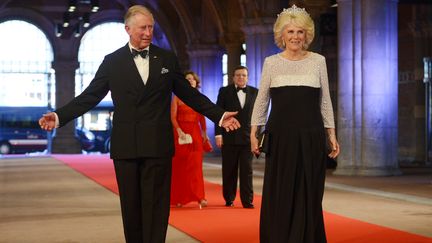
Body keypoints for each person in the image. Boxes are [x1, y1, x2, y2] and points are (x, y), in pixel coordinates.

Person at [38, 5, 240, 243]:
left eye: (151, 27)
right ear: (128, 29)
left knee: (156, 207)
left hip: (158, 146)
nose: (148, 32)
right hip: (127, 147)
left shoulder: (166, 59)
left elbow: (190, 95)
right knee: (132, 208)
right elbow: (89, 97)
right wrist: (60, 116)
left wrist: (219, 114)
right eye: (143, 28)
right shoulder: (112, 62)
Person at [250, 5, 340, 243]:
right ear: (281, 35)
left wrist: (331, 133)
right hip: (280, 136)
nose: (295, 37)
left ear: (307, 35)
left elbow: (325, 101)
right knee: (281, 191)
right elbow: (262, 100)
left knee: (310, 191)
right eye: (290, 32)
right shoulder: (271, 62)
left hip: (311, 135)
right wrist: (254, 132)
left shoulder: (318, 61)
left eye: (300, 32)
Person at [215, 66, 258, 208]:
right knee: (229, 170)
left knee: (247, 171)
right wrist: (218, 134)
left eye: (243, 75)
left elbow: (258, 116)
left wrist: (256, 137)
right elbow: (218, 114)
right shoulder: (224, 91)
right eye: (238, 75)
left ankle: (248, 201)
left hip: (247, 139)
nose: (241, 77)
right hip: (229, 137)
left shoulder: (255, 92)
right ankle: (229, 198)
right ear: (233, 77)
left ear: (247, 77)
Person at [170, 71, 210, 209]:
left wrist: (205, 133)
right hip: (180, 134)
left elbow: (202, 117)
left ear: (196, 82)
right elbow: (173, 117)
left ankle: (200, 197)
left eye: (192, 79)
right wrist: (179, 131)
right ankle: (179, 198)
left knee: (196, 167)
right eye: (187, 79)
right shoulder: (176, 98)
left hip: (195, 134)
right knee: (180, 167)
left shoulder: (198, 97)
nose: (190, 81)